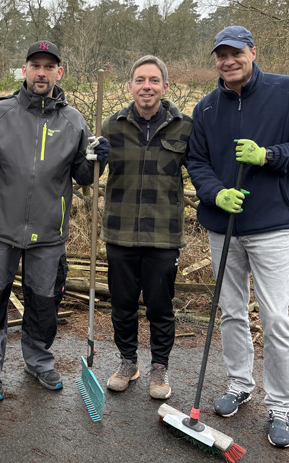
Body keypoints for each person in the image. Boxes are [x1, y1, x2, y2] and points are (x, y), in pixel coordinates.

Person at [187, 26, 289, 448]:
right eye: (221, 55)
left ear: (252, 52)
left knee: (276, 317)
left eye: (236, 53)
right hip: (223, 226)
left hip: (271, 226)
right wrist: (216, 193)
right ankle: (240, 384)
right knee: (231, 310)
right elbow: (197, 161)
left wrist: (269, 155)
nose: (228, 61)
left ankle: (280, 406)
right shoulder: (207, 108)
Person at [0, 41, 109, 401]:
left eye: (49, 67)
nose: (42, 73)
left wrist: (98, 160)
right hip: (0, 228)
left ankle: (39, 361)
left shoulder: (74, 121)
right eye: (36, 65)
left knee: (44, 303)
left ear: (59, 72)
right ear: (25, 70)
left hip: (49, 232)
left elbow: (82, 176)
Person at [101, 55, 193, 400]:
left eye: (154, 80)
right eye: (140, 80)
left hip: (163, 234)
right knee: (122, 304)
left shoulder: (185, 127)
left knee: (160, 307)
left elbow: (200, 169)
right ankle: (128, 362)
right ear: (130, 86)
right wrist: (91, 157)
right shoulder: (111, 126)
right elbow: (87, 174)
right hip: (120, 231)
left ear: (165, 86)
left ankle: (159, 367)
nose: (147, 86)